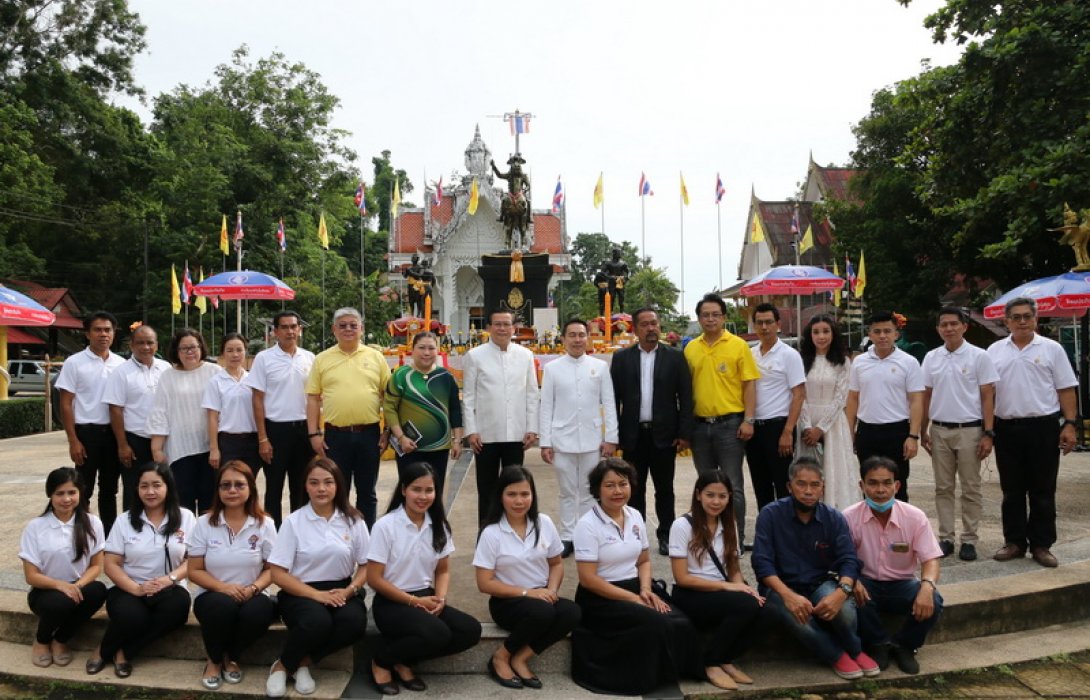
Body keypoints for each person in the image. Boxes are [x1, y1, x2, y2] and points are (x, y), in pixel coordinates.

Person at [571, 457, 704, 695]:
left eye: (623, 484)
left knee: (679, 621)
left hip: (635, 587)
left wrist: (645, 590)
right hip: (601, 597)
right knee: (653, 622)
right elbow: (588, 579)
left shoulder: (634, 516)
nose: (617, 491)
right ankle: (641, 680)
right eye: (609, 485)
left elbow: (643, 560)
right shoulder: (587, 525)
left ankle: (681, 671)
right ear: (597, 489)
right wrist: (633, 600)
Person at [752, 457, 878, 680]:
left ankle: (855, 650)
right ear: (789, 486)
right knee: (797, 616)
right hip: (780, 587)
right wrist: (788, 595)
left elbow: (848, 559)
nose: (808, 491)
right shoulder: (770, 515)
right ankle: (837, 656)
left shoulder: (834, 518)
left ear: (823, 488)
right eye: (801, 484)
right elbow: (762, 563)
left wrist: (842, 591)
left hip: (821, 582)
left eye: (814, 485)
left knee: (845, 609)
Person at [367, 462, 482, 694]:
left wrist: (440, 598)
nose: (423, 496)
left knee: (469, 630)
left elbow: (443, 570)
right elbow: (374, 579)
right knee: (437, 633)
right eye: (416, 489)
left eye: (429, 490)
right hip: (392, 603)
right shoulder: (386, 526)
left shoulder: (438, 526)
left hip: (425, 598)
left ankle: (405, 660)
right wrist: (414, 602)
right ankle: (382, 660)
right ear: (403, 490)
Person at [987, 297, 1079, 568]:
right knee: (1011, 490)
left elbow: (1065, 388)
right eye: (1016, 317)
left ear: (1036, 319)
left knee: (1043, 490)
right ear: (1007, 321)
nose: (1023, 321)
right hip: (1007, 428)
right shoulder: (994, 351)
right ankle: (1014, 541)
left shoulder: (1052, 349)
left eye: (1028, 316)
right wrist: (988, 430)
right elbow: (988, 393)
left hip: (1043, 427)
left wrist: (1070, 423)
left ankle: (1042, 545)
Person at [267, 456, 369, 697]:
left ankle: (300, 662)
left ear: (338, 485)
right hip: (300, 591)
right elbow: (277, 573)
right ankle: (280, 666)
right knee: (317, 622)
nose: (321, 489)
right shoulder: (294, 522)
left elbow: (366, 566)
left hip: (341, 590)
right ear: (305, 486)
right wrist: (317, 595)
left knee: (354, 623)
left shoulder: (353, 520)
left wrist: (350, 590)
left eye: (328, 482)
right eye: (314, 483)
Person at [473, 466, 580, 689]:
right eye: (511, 494)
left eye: (525, 494)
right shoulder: (491, 532)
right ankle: (501, 657)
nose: (519, 501)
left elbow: (556, 563)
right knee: (542, 612)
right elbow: (484, 583)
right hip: (508, 602)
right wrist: (528, 593)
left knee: (572, 611)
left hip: (541, 595)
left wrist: (551, 589)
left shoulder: (544, 523)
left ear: (533, 495)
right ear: (501, 496)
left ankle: (521, 657)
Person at [87, 462, 194, 679]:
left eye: (157, 485)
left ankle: (123, 651)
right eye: (144, 486)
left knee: (178, 609)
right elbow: (111, 564)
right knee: (133, 616)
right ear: (136, 489)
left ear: (168, 487)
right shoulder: (124, 520)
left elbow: (194, 561)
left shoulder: (186, 517)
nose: (150, 491)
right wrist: (136, 589)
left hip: (169, 588)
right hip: (129, 586)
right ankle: (104, 650)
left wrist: (169, 579)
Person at [843, 456, 944, 675]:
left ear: (897, 486)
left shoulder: (915, 517)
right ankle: (878, 644)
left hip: (902, 584)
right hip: (865, 583)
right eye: (873, 483)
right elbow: (842, 558)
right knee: (849, 594)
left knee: (934, 600)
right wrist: (853, 581)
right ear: (862, 485)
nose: (880, 489)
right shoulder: (848, 518)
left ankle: (905, 646)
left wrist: (927, 586)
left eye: (887, 483)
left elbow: (931, 559)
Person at [669, 470, 765, 690]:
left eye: (722, 496)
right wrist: (730, 587)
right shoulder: (682, 525)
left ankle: (725, 658)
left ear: (730, 497)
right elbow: (682, 578)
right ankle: (710, 662)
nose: (716, 501)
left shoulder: (728, 522)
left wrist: (742, 587)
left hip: (721, 591)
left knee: (764, 606)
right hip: (691, 593)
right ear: (698, 495)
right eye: (710, 495)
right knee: (745, 605)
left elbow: (734, 570)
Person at [188, 461, 278, 690]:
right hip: (212, 593)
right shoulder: (204, 523)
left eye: (239, 485)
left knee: (259, 612)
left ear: (250, 489)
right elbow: (194, 570)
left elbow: (272, 569)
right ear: (217, 490)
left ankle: (230, 656)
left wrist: (253, 589)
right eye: (225, 485)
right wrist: (223, 588)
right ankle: (215, 661)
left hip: (254, 591)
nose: (232, 490)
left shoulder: (265, 524)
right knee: (222, 607)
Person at [610, 307, 693, 556]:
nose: (651, 328)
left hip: (664, 435)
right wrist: (614, 436)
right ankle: (636, 536)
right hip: (633, 436)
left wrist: (684, 433)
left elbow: (686, 398)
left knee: (664, 488)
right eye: (644, 324)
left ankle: (666, 535)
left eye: (654, 323)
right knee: (633, 489)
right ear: (635, 329)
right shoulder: (622, 358)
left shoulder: (675, 357)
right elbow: (613, 398)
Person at [920, 307, 999, 561]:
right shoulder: (932, 357)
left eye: (954, 324)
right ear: (938, 329)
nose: (949, 328)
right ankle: (945, 537)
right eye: (944, 324)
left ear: (965, 326)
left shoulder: (979, 356)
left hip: (970, 430)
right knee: (943, 487)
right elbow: (926, 395)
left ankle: (969, 539)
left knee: (970, 487)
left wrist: (988, 432)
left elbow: (988, 396)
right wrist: (922, 429)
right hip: (940, 429)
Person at [684, 293, 760, 544]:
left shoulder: (738, 345)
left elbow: (749, 385)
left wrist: (749, 420)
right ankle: (707, 536)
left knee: (733, 485)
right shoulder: (691, 348)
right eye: (705, 315)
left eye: (715, 314)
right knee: (705, 487)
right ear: (699, 318)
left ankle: (734, 538)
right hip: (699, 427)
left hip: (730, 426)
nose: (710, 319)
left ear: (724, 317)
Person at [306, 307, 391, 527]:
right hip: (335, 436)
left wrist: (387, 431)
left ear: (362, 329)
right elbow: (313, 398)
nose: (348, 329)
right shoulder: (322, 359)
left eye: (353, 325)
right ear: (334, 329)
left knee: (367, 492)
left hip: (369, 434)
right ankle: (339, 536)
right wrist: (314, 433)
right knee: (336, 490)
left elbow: (389, 397)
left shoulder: (376, 358)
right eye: (342, 325)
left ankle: (367, 539)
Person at [540, 318, 618, 555]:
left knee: (588, 491)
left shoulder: (600, 367)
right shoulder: (552, 368)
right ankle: (566, 536)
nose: (577, 339)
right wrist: (545, 441)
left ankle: (586, 535)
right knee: (566, 491)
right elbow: (546, 406)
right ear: (563, 339)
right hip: (561, 439)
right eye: (572, 335)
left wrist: (611, 437)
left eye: (581, 335)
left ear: (588, 338)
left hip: (592, 439)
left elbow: (610, 403)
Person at [19, 468, 108, 668]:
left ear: (80, 493)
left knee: (99, 591)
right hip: (46, 591)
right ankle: (42, 640)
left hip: (78, 586)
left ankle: (60, 640)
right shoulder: (36, 526)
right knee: (61, 603)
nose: (66, 499)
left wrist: (77, 585)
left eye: (72, 493)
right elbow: (31, 576)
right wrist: (61, 586)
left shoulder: (93, 523)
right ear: (50, 494)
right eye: (60, 493)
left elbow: (96, 567)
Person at [462, 310, 540, 527]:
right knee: (486, 489)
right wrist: (471, 430)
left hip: (516, 433)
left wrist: (532, 428)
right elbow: (468, 397)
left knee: (515, 488)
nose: (502, 328)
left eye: (506, 324)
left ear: (514, 327)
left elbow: (532, 394)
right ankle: (486, 535)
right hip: (485, 434)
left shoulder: (525, 355)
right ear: (488, 327)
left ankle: (514, 531)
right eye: (497, 324)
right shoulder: (475, 356)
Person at [56, 311, 125, 533]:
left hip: (114, 435)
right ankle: (82, 533)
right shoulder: (74, 363)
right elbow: (66, 403)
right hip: (87, 434)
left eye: (108, 330)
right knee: (82, 488)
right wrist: (72, 440)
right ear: (87, 334)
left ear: (114, 334)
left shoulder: (121, 364)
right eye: (98, 330)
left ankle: (108, 535)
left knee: (109, 489)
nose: (103, 334)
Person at [245, 310, 315, 526]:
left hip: (304, 430)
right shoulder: (264, 359)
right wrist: (263, 438)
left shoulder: (310, 358)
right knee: (274, 487)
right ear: (275, 331)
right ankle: (273, 537)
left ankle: (300, 534)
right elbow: (257, 400)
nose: (290, 331)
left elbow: (315, 397)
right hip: (275, 431)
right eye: (284, 327)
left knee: (301, 487)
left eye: (294, 326)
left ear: (299, 329)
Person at [846, 311, 924, 501]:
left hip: (896, 432)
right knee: (869, 483)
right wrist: (850, 432)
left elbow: (916, 400)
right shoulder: (859, 362)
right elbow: (853, 398)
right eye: (877, 331)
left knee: (898, 484)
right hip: (867, 432)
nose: (882, 336)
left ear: (896, 334)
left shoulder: (909, 362)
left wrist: (913, 436)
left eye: (887, 331)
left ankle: (899, 528)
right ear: (870, 334)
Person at [148, 328, 222, 515]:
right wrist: (157, 448)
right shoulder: (168, 376)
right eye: (184, 348)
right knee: (182, 502)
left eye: (194, 347)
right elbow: (160, 412)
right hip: (180, 448)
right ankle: (183, 542)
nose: (190, 351)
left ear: (201, 348)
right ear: (176, 351)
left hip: (210, 448)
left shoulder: (215, 371)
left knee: (210, 501)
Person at [383, 332, 463, 499]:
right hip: (409, 447)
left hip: (439, 447)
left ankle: (435, 525)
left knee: (435, 492)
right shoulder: (400, 375)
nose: (426, 352)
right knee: (409, 493)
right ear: (412, 350)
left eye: (431, 348)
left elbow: (455, 410)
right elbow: (390, 408)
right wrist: (401, 437)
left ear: (438, 351)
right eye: (421, 348)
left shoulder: (445, 377)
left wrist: (457, 440)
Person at [103, 324, 170, 511]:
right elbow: (115, 410)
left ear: (157, 345)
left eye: (150, 342)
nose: (145, 347)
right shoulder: (121, 373)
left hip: (164, 439)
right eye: (140, 343)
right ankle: (133, 531)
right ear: (131, 345)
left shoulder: (166, 369)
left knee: (164, 486)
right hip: (135, 441)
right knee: (135, 488)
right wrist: (123, 445)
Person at [746, 303, 806, 511]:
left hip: (779, 427)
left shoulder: (789, 355)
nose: (764, 327)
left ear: (778, 324)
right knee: (760, 485)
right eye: (759, 323)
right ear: (754, 326)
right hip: (754, 428)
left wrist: (788, 431)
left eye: (769, 322)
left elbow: (799, 394)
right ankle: (767, 533)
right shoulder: (750, 354)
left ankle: (786, 534)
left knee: (783, 484)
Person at [797, 314, 858, 509]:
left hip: (832, 424)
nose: (821, 336)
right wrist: (807, 426)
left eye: (825, 331)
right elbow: (800, 395)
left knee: (833, 471)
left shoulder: (843, 362)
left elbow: (841, 398)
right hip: (806, 422)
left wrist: (820, 428)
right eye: (816, 332)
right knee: (808, 471)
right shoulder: (802, 361)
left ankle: (834, 512)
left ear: (833, 334)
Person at [204, 333, 263, 477]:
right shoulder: (216, 381)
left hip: (252, 441)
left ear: (245, 351)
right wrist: (214, 449)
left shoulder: (253, 380)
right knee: (227, 484)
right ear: (223, 354)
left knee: (249, 484)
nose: (235, 354)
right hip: (227, 443)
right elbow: (212, 417)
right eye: (229, 350)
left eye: (239, 350)